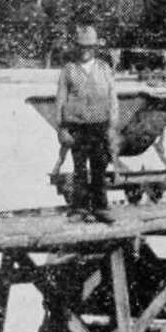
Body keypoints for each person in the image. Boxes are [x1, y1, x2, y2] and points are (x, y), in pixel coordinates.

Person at [54, 24, 119, 223]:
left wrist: (112, 127)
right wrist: (61, 129)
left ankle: (100, 207)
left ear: (95, 48)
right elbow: (60, 100)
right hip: (77, 126)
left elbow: (113, 98)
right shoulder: (69, 69)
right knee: (79, 168)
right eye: (81, 47)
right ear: (76, 47)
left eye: (89, 47)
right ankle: (80, 208)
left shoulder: (104, 68)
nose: (85, 51)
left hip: (99, 125)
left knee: (99, 167)